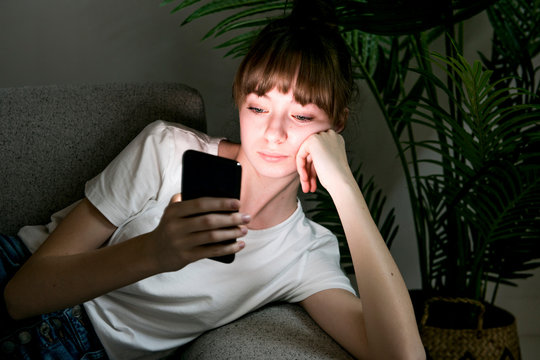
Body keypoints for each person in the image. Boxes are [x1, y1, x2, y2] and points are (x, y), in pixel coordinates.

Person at [2, 0, 425, 359]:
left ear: (336, 126)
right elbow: (22, 295)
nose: (274, 134)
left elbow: (401, 355)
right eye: (258, 108)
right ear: (240, 99)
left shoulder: (303, 255)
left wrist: (346, 188)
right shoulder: (168, 151)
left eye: (301, 116)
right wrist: (154, 252)